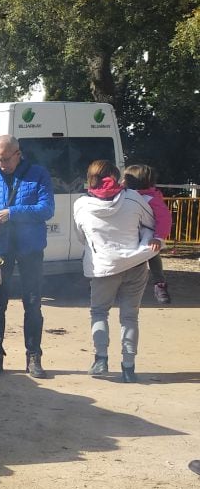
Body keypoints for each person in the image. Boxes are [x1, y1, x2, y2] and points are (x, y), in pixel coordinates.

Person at [0, 134, 54, 378]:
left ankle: (33, 357)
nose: (1, 164)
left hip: (30, 248)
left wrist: (11, 213)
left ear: (18, 154)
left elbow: (46, 209)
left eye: (5, 159)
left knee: (33, 303)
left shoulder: (38, 175)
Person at [73, 160, 158, 383]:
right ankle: (129, 368)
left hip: (103, 268)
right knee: (130, 317)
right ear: (116, 176)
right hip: (135, 265)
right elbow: (151, 222)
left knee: (99, 313)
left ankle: (100, 359)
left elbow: (82, 236)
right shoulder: (133, 198)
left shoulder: (81, 205)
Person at [121, 164, 172, 305]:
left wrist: (158, 237)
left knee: (153, 255)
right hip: (129, 234)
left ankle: (159, 284)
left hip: (148, 235)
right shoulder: (124, 194)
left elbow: (165, 219)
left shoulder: (151, 198)